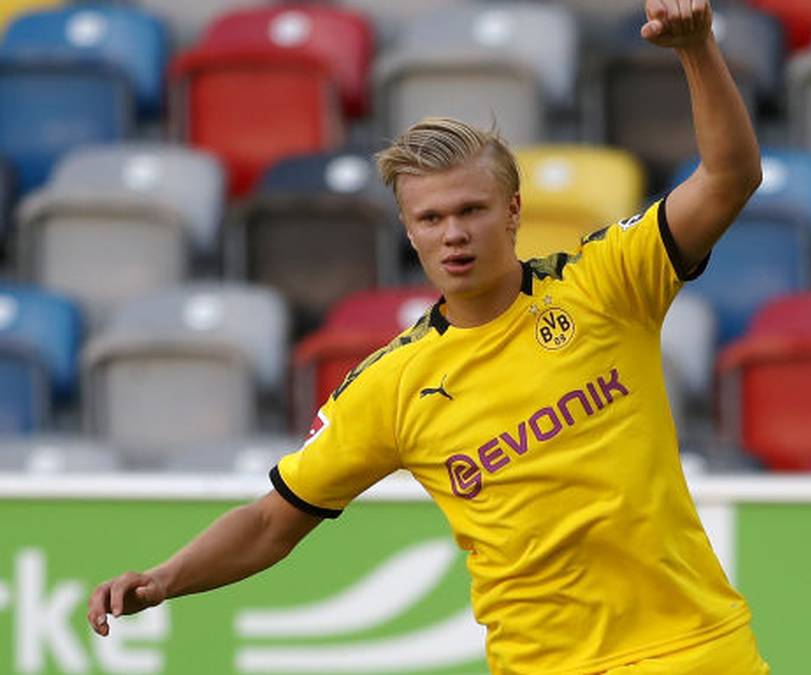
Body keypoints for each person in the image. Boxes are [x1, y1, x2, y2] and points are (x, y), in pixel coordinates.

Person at [87, 0, 768, 672]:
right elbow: (271, 522)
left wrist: (695, 48)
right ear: (409, 232)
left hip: (695, 652)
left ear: (513, 210)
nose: (454, 235)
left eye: (471, 210)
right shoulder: (393, 385)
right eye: (432, 219)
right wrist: (166, 578)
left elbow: (731, 176)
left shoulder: (608, 284)